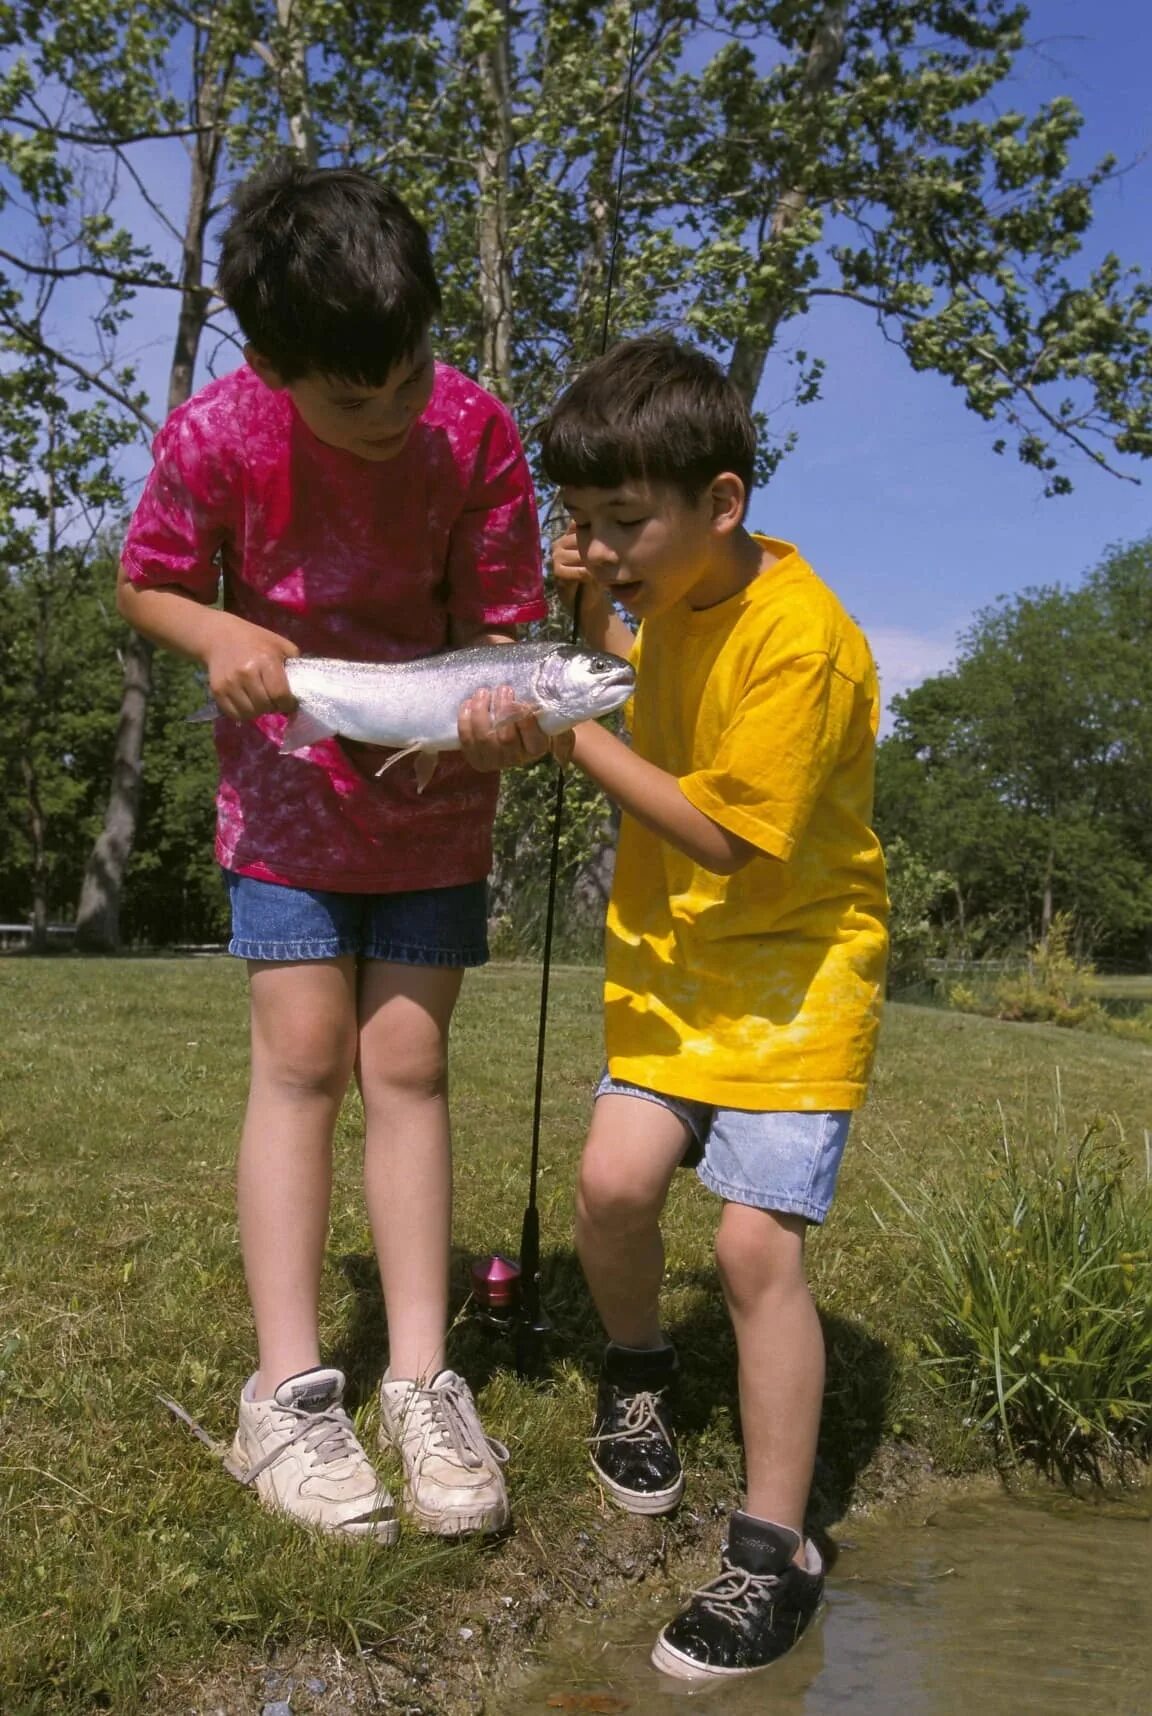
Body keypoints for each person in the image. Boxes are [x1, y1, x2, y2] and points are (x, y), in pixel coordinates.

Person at [117, 158, 557, 1541]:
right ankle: (289, 1394)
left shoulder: (475, 433)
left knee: (409, 1064)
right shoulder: (215, 435)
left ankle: (423, 1380)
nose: (393, 412)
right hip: (288, 794)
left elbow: (504, 629)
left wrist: (506, 723)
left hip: (436, 799)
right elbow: (149, 581)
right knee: (302, 1058)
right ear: (272, 366)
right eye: (354, 397)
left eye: (412, 373)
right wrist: (223, 634)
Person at [535, 335, 888, 1678]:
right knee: (615, 1184)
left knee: (751, 1250)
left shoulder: (804, 643)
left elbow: (725, 837)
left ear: (722, 504)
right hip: (675, 976)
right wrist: (584, 629)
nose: (603, 547)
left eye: (624, 523)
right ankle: (638, 1372)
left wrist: (565, 730)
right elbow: (631, 665)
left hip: (796, 983)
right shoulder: (674, 595)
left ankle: (773, 1551)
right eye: (582, 522)